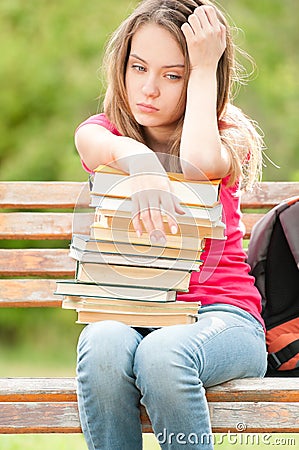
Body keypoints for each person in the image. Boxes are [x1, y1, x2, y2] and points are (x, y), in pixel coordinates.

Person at [74, 0, 267, 448]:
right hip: (134, 314)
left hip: (223, 320)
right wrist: (141, 163)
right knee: (100, 341)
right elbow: (94, 140)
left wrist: (205, 67)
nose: (149, 89)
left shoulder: (225, 138)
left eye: (173, 74)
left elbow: (199, 163)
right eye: (138, 68)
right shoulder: (103, 133)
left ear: (200, 78)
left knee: (163, 353)